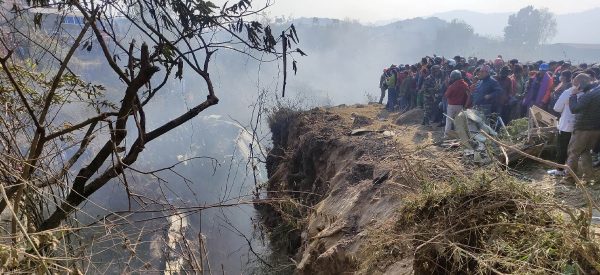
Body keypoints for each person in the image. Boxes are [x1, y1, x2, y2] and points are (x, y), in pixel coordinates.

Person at [563, 73, 600, 183]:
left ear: (580, 84)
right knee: (585, 151)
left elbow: (575, 109)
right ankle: (589, 177)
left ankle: (569, 178)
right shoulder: (597, 91)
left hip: (583, 128)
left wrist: (573, 95)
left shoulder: (589, 94)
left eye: (575, 85)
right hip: (596, 128)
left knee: (573, 152)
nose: (574, 87)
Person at [547, 71, 577, 177]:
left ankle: (560, 170)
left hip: (566, 125)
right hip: (579, 126)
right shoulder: (589, 92)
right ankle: (571, 172)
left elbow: (557, 107)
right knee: (574, 150)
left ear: (573, 80)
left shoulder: (568, 92)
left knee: (562, 148)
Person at [443, 70, 469, 138]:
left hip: (451, 106)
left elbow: (446, 95)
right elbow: (468, 95)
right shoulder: (465, 84)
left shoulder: (452, 86)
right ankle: (459, 136)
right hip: (460, 106)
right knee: (459, 122)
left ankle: (446, 135)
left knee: (449, 121)